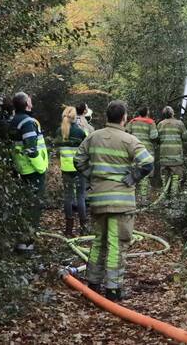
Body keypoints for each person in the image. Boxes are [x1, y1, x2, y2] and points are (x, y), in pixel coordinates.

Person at [74, 100, 153, 301]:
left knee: (99, 242)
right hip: (121, 203)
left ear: (107, 116)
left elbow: (78, 161)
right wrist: (133, 177)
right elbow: (148, 162)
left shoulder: (93, 137)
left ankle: (92, 284)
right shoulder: (129, 140)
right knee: (116, 245)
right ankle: (113, 289)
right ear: (124, 118)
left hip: (99, 200)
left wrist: (93, 176)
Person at [10, 92, 48, 252]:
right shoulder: (28, 122)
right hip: (33, 170)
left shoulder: (14, 121)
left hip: (22, 168)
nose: (32, 102)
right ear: (26, 104)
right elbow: (31, 149)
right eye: (30, 100)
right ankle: (27, 243)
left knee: (25, 204)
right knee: (34, 206)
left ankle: (22, 240)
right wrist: (40, 166)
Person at [57, 105, 89, 237]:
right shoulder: (80, 132)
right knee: (81, 196)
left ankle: (68, 229)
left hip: (66, 168)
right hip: (79, 168)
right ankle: (83, 227)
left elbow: (57, 148)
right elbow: (87, 150)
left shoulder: (59, 131)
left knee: (68, 197)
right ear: (75, 117)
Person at [125, 106, 159, 202]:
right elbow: (154, 136)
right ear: (147, 113)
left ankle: (132, 197)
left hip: (134, 150)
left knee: (133, 173)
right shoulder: (151, 122)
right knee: (145, 174)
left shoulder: (132, 122)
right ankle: (143, 199)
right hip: (146, 151)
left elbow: (126, 132)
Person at [157, 106, 187, 196]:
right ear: (172, 113)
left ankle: (165, 199)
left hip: (164, 158)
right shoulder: (179, 123)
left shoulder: (160, 124)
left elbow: (157, 138)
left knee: (165, 179)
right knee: (176, 178)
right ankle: (174, 198)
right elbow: (186, 137)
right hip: (176, 159)